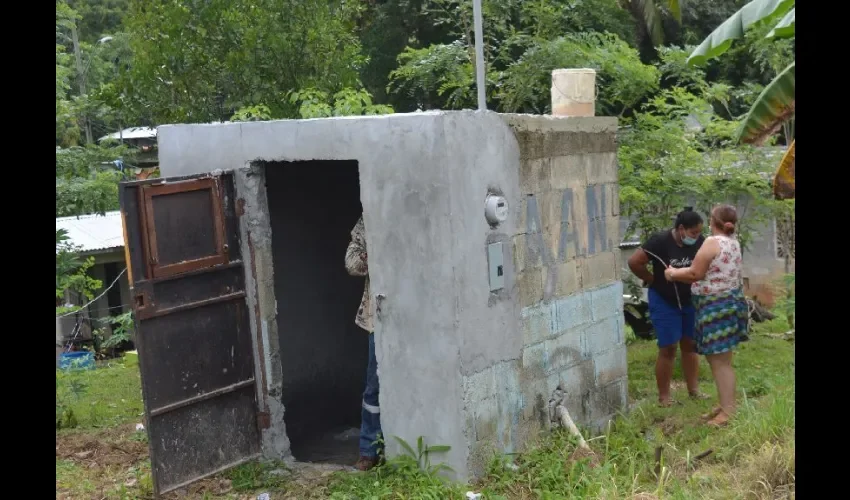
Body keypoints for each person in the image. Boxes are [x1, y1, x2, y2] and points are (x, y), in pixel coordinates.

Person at [664, 205, 748, 427]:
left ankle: (729, 411)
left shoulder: (712, 242)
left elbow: (695, 273)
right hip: (729, 303)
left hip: (716, 307)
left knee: (719, 361)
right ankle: (725, 404)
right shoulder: (733, 242)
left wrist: (672, 273)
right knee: (722, 359)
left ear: (713, 221)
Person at [627, 208, 705, 407]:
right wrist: (652, 279)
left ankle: (694, 390)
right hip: (664, 300)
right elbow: (635, 262)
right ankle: (664, 397)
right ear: (681, 229)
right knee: (668, 347)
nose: (696, 237)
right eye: (693, 233)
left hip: (690, 300)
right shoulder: (660, 242)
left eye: (698, 233)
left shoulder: (700, 243)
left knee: (690, 344)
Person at [345, 215, 383, 471]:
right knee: (374, 387)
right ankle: (369, 451)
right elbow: (351, 262)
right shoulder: (369, 219)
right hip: (377, 319)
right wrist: (374, 256)